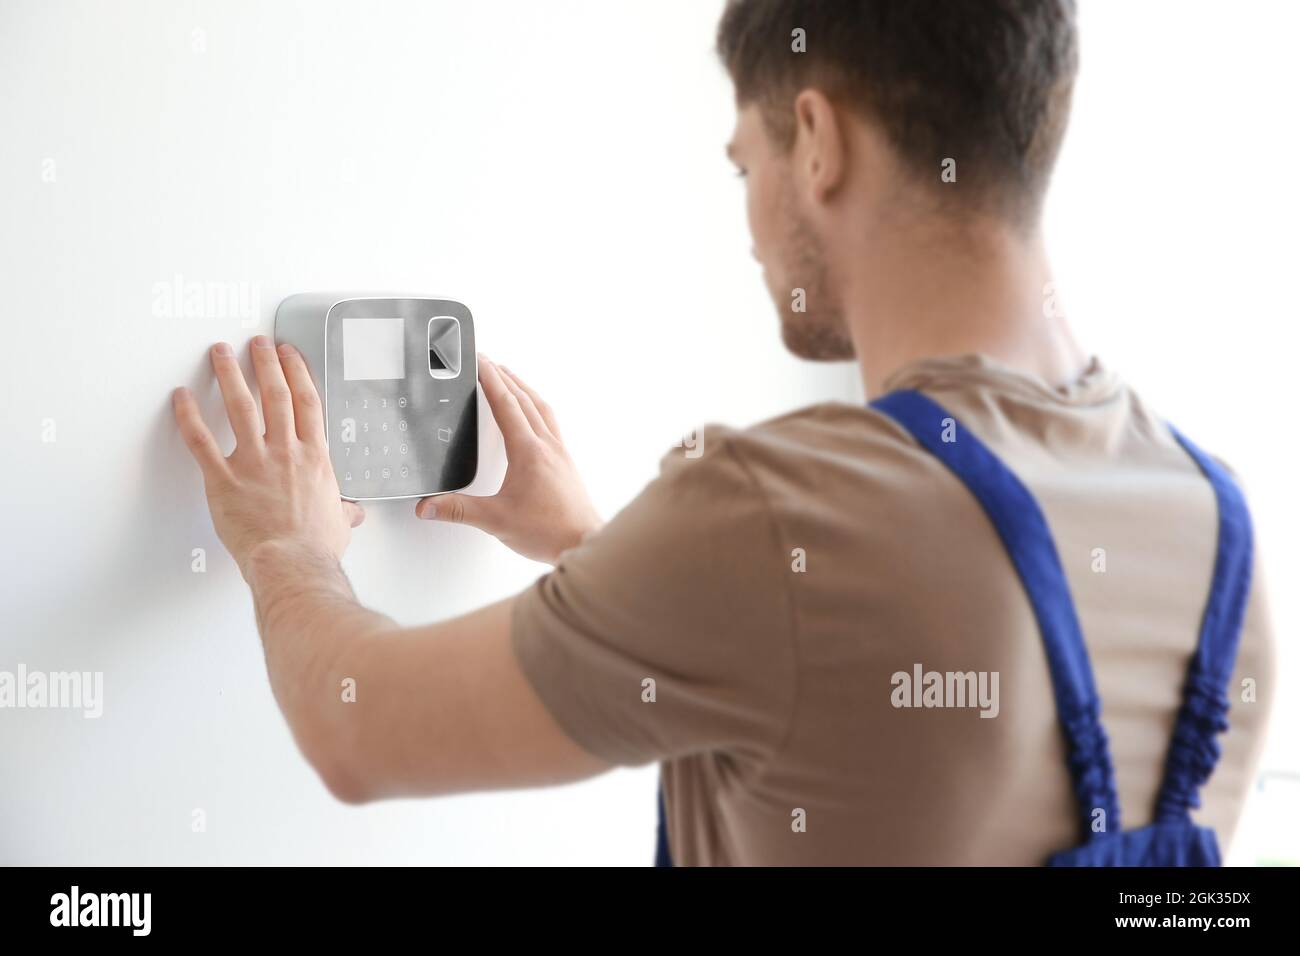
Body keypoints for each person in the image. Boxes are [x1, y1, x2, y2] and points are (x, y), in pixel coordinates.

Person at [171, 0, 1275, 865]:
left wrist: (285, 549)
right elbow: (850, 698)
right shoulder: (1218, 532)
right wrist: (602, 555)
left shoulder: (769, 513)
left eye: (745, 163)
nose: (748, 225)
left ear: (816, 141)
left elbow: (358, 732)